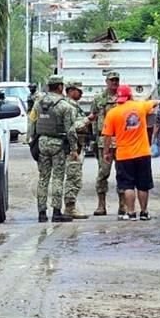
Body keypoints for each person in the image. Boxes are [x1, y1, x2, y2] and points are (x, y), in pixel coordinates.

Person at [102, 85, 160, 221]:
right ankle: (144, 212)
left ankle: (131, 212)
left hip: (124, 155)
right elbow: (153, 103)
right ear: (130, 96)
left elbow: (107, 136)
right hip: (143, 153)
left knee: (128, 185)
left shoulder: (113, 113)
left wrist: (106, 152)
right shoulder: (140, 107)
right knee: (143, 184)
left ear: (119, 97)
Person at [29, 74, 77, 223]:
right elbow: (70, 130)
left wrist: (31, 141)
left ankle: (41, 213)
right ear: (60, 87)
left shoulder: (38, 103)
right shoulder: (65, 106)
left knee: (43, 178)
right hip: (58, 144)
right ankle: (56, 212)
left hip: (42, 143)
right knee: (57, 177)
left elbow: (32, 123)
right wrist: (74, 148)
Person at [89, 70, 126, 216]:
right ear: (106, 82)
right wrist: (92, 138)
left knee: (122, 174)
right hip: (104, 141)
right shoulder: (99, 99)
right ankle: (101, 205)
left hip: (121, 141)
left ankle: (123, 204)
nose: (114, 83)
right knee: (103, 173)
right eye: (112, 80)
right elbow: (93, 118)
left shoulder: (123, 99)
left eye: (116, 80)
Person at [63, 80, 92, 219]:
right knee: (74, 178)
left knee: (74, 177)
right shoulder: (68, 106)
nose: (81, 93)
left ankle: (70, 206)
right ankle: (70, 207)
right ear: (70, 91)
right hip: (72, 148)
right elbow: (72, 127)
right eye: (78, 90)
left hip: (78, 146)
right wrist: (88, 120)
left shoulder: (74, 106)